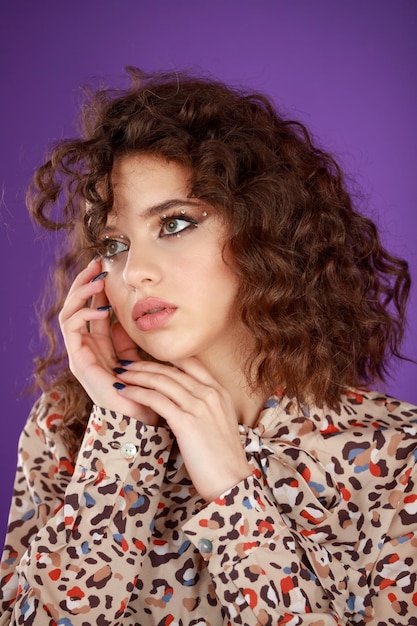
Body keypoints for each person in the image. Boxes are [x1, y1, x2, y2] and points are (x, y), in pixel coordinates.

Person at [0, 68, 416, 626]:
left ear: (262, 228)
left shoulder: (395, 457)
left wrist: (233, 493)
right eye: (115, 244)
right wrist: (122, 438)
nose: (136, 273)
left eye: (174, 223)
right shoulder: (67, 426)